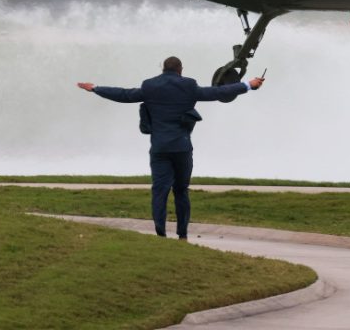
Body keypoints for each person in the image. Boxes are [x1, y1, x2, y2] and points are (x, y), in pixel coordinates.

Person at [77, 56, 265, 240]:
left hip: (159, 148)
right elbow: (216, 93)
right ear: (180, 70)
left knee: (159, 190)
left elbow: (124, 95)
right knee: (181, 190)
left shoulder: (149, 86)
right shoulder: (189, 85)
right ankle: (182, 234)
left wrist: (96, 88)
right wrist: (249, 85)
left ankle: (160, 233)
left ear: (163, 69)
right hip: (182, 148)